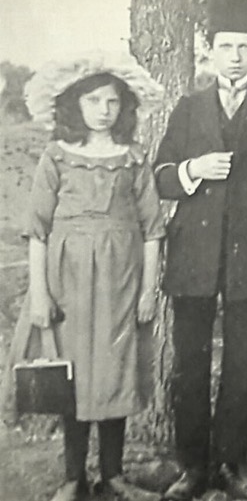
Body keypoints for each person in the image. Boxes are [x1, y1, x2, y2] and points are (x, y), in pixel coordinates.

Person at [154, 0, 247, 501]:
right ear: (210, 51)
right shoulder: (189, 108)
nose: (235, 55)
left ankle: (229, 465)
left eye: (244, 46)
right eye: (225, 46)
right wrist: (193, 170)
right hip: (193, 258)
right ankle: (192, 466)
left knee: (240, 365)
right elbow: (161, 177)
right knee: (189, 367)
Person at [15, 52, 165, 501]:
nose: (104, 110)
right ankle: (72, 477)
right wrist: (39, 294)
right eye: (94, 101)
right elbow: (37, 232)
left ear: (124, 108)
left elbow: (153, 230)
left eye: (113, 102)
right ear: (74, 106)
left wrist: (147, 290)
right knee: (73, 377)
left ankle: (114, 475)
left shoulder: (133, 159)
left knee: (114, 373)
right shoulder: (57, 157)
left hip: (121, 281)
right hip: (68, 283)